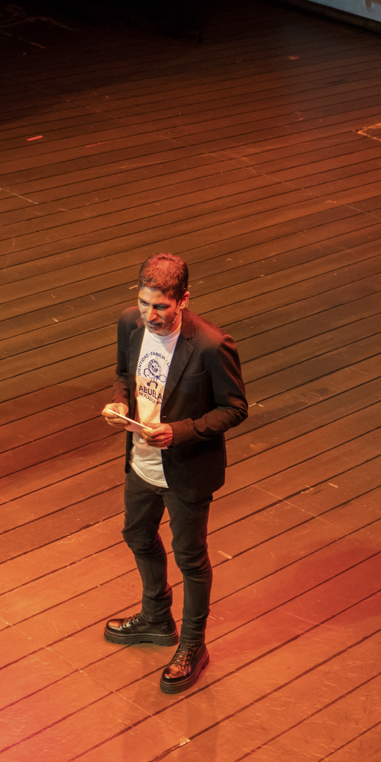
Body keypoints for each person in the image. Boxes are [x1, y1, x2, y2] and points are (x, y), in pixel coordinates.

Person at [101, 253, 247, 693]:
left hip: (186, 470)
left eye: (161, 306)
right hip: (141, 463)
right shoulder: (129, 324)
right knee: (137, 534)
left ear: (183, 300)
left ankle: (193, 645)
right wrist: (119, 402)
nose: (150, 315)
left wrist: (180, 431)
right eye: (144, 303)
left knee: (190, 558)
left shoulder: (212, 345)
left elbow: (234, 408)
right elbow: (123, 374)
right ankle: (156, 616)